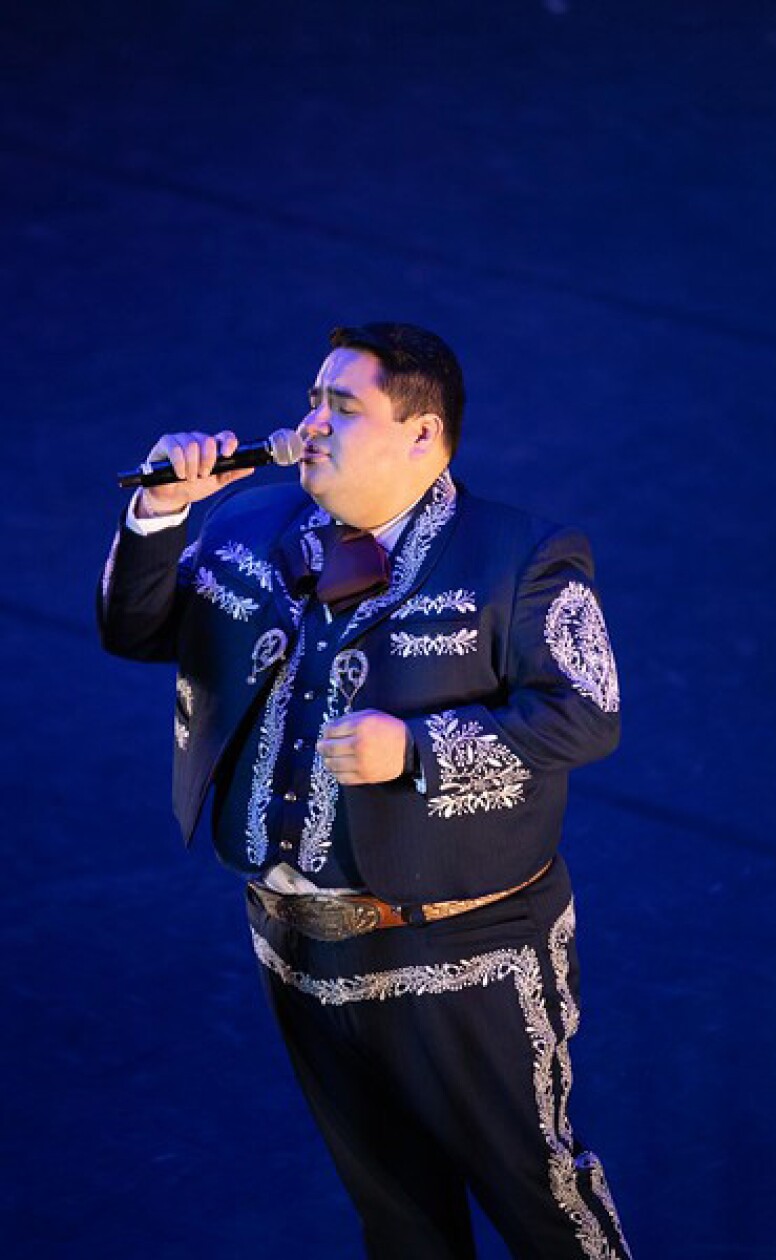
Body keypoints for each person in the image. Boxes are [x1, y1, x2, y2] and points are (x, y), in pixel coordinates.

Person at [98, 322, 631, 1259]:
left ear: (422, 435)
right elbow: (135, 631)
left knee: (542, 1200)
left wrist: (419, 749)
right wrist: (162, 517)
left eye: (342, 408)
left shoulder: (521, 557)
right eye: (312, 401)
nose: (311, 424)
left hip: (468, 945)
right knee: (396, 1216)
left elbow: (587, 714)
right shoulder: (248, 525)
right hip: (299, 944)